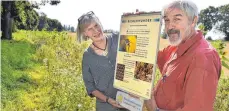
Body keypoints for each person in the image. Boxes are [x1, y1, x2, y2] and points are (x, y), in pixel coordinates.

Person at [145, 0, 222, 111]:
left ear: (193, 21)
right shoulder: (176, 47)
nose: (170, 26)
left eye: (177, 19)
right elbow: (150, 54)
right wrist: (138, 24)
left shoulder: (203, 58)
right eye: (167, 20)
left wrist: (155, 110)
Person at [77, 11, 127, 111]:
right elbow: (90, 86)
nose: (96, 30)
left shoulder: (117, 39)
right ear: (85, 33)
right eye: (90, 29)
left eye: (96, 25)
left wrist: (135, 19)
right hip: (105, 105)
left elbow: (137, 53)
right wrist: (108, 100)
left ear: (100, 23)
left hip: (128, 101)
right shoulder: (87, 56)